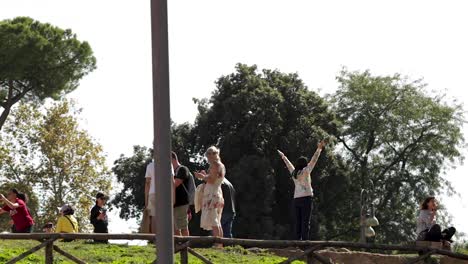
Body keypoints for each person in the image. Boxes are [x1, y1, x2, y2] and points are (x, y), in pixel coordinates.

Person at [278, 140, 326, 241]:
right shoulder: (306, 171)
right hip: (307, 198)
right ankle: (304, 241)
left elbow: (288, 164)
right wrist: (319, 148)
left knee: (298, 221)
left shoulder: (294, 173)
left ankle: (297, 240)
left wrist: (283, 156)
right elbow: (314, 160)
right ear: (305, 164)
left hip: (297, 199)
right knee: (305, 221)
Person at [195, 146, 225, 247]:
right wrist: (205, 176)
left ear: (213, 155)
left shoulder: (215, 165)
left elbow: (212, 180)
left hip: (212, 194)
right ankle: (219, 243)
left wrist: (202, 177)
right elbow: (213, 178)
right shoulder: (220, 165)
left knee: (214, 220)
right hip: (216, 193)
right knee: (216, 220)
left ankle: (218, 244)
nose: (207, 157)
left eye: (209, 155)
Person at [172, 151, 191, 236]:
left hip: (182, 203)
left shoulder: (182, 169)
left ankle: (185, 246)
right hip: (174, 204)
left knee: (183, 226)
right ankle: (179, 246)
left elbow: (176, 183)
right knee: (175, 227)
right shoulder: (173, 172)